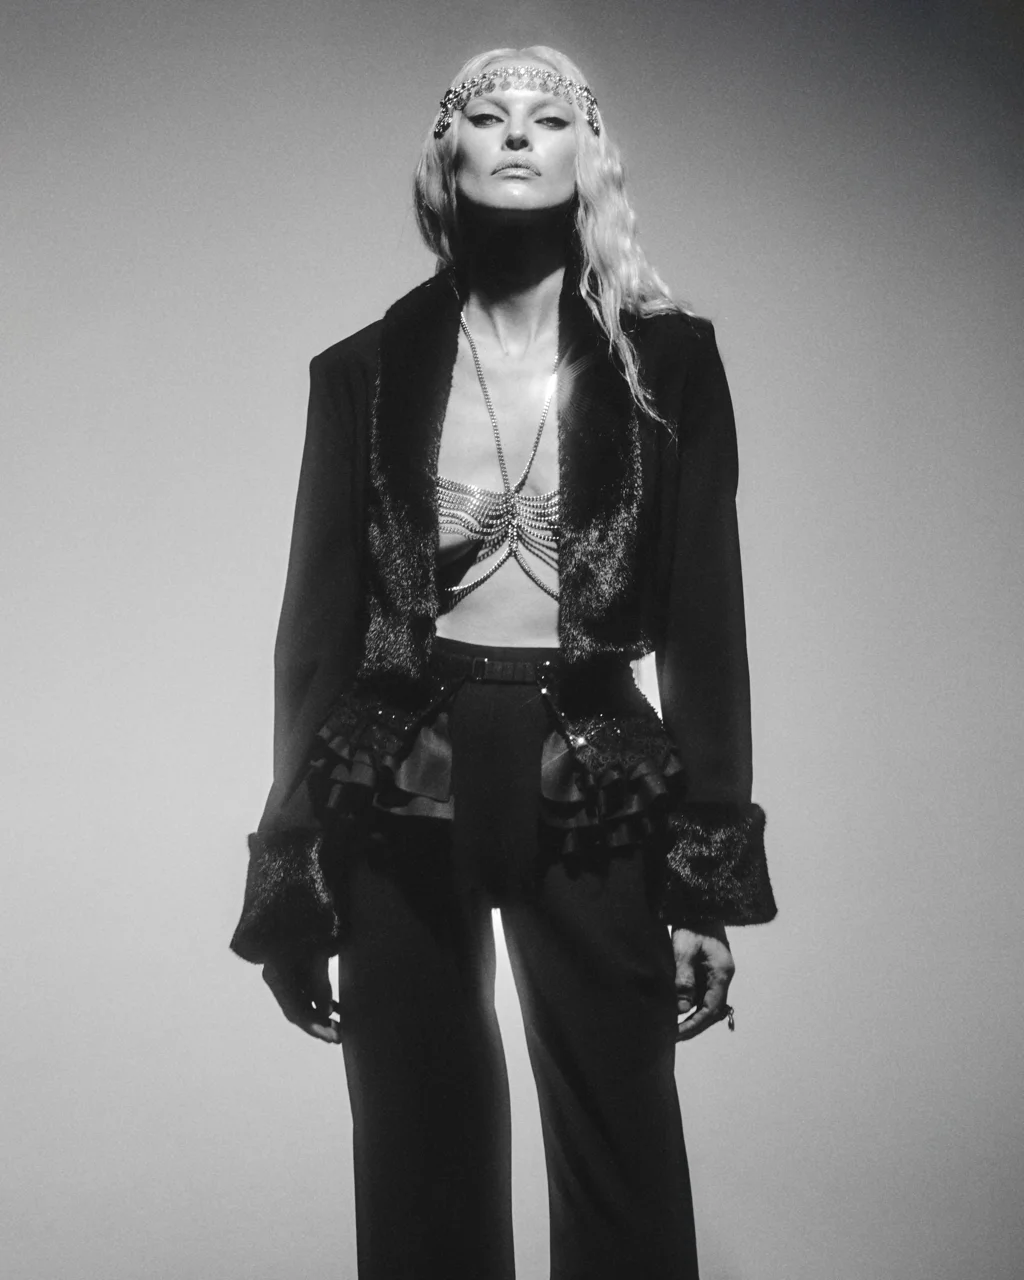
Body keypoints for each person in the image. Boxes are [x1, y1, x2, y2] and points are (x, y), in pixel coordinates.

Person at [230, 44, 777, 1280]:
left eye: (549, 115)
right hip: (398, 773)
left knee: (624, 1149)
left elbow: (707, 624)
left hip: (594, 769)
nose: (518, 134)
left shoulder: (667, 363)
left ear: (592, 155)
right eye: (487, 114)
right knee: (415, 1156)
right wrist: (292, 880)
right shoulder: (360, 372)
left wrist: (702, 878)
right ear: (448, 154)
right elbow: (313, 641)